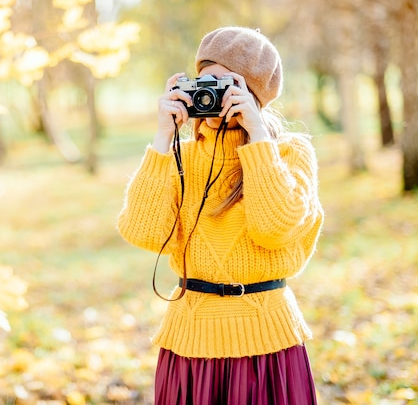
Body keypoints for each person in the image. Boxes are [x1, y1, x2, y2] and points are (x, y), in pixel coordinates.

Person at [116, 26, 324, 404]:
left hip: (268, 343)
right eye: (204, 82)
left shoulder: (290, 153)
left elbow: (274, 229)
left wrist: (258, 136)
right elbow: (142, 231)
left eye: (228, 86)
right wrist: (163, 139)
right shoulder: (181, 156)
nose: (212, 96)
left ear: (254, 93)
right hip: (189, 340)